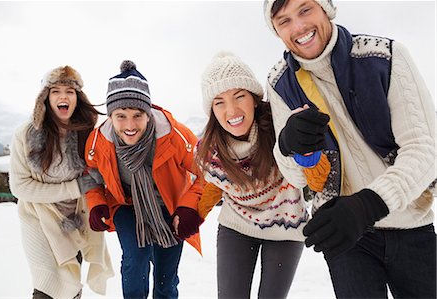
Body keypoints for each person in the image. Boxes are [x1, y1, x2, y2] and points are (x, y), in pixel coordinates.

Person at [263, 0, 437, 298]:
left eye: (305, 10)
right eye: (284, 21)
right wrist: (289, 147)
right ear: (277, 31)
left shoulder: (386, 57)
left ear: (326, 9)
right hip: (343, 233)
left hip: (410, 224)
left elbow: (425, 150)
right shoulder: (280, 83)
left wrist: (367, 205)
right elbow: (297, 177)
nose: (299, 27)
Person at [196, 51, 323, 299]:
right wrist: (194, 214)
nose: (231, 109)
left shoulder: (281, 127)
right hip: (237, 225)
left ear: (254, 99)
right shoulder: (210, 148)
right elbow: (215, 186)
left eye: (239, 96)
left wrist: (307, 153)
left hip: (285, 225)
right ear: (211, 109)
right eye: (219, 101)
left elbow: (316, 182)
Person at [83, 60, 203, 299]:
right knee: (135, 260)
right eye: (121, 116)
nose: (130, 125)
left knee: (165, 280)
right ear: (111, 116)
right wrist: (97, 203)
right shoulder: (99, 141)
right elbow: (91, 176)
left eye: (138, 115)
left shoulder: (174, 136)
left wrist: (189, 207)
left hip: (170, 208)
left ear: (148, 114)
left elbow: (208, 172)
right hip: (127, 206)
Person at [9, 66, 114, 299]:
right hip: (38, 215)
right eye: (55, 91)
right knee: (46, 284)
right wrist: (75, 187)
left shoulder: (89, 134)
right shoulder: (25, 134)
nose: (63, 96)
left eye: (70, 91)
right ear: (45, 98)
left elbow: (103, 173)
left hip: (76, 217)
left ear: (78, 98)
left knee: (71, 283)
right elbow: (20, 187)